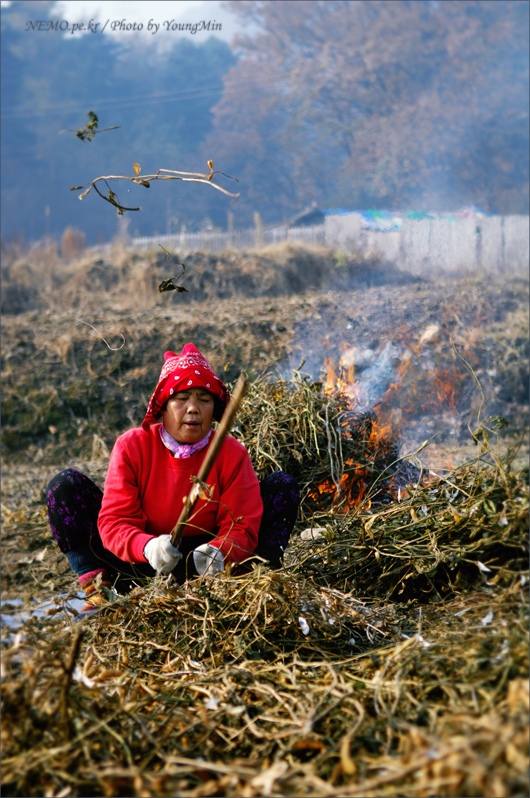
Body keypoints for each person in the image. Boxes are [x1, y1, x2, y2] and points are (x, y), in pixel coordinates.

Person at [46, 344, 300, 611]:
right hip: (139, 564)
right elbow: (114, 522)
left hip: (208, 568)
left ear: (214, 409)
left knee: (281, 487)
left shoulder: (231, 453)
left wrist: (219, 552)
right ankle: (98, 588)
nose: (193, 409)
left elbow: (242, 523)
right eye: (181, 398)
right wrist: (147, 547)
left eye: (204, 399)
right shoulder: (132, 447)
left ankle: (255, 587)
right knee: (64, 487)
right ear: (162, 407)